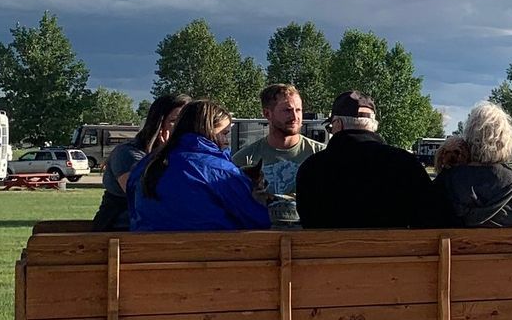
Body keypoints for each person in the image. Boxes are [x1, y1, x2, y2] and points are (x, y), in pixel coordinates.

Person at [295, 90, 441, 229]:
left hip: (329, 253)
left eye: (330, 127)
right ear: (373, 126)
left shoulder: (312, 168)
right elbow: (430, 216)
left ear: (338, 124)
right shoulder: (407, 164)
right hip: (393, 253)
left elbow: (309, 221)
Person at [129, 100, 270, 233]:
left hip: (148, 254)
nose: (226, 141)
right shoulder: (220, 171)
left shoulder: (146, 165)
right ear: (207, 129)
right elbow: (257, 219)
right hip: (212, 254)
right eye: (224, 133)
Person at [91, 91, 187, 231]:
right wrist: (164, 153)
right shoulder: (127, 153)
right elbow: (141, 195)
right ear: (158, 123)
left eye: (186, 122)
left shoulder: (185, 155)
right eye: (174, 121)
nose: (181, 127)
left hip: (162, 232)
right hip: (121, 234)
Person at [233, 83, 323, 229]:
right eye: (287, 110)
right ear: (267, 114)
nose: (295, 116)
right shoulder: (244, 159)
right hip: (261, 241)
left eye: (298, 110)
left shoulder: (320, 155)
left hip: (309, 241)